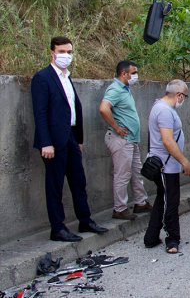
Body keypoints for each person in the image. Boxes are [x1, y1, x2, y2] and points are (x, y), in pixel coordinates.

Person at [31, 36, 108, 242]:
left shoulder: (67, 77)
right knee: (55, 186)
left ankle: (85, 220)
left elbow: (73, 109)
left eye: (69, 52)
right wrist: (46, 142)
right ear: (52, 53)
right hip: (53, 142)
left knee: (78, 181)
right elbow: (40, 113)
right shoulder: (43, 78)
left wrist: (79, 139)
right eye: (62, 52)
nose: (66, 56)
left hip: (72, 138)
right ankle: (57, 228)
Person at [144, 79, 190, 254]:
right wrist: (185, 162)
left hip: (167, 164)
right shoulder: (164, 111)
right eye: (185, 97)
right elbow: (167, 141)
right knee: (171, 202)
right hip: (166, 166)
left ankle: (151, 237)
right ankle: (172, 239)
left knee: (162, 199)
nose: (184, 100)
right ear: (179, 95)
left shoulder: (161, 107)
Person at [99, 60, 151, 221]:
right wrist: (117, 127)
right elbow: (103, 108)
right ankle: (120, 208)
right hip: (121, 139)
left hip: (131, 139)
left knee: (136, 172)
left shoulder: (125, 89)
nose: (136, 76)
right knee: (122, 175)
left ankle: (140, 203)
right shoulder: (115, 89)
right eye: (133, 73)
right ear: (124, 74)